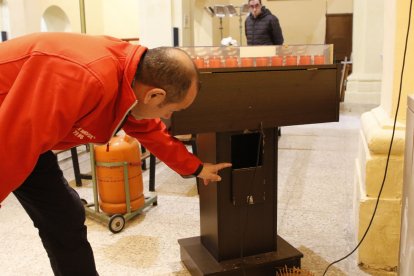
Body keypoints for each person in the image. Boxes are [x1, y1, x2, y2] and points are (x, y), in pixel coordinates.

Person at [0, 32, 232, 275]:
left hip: (25, 136)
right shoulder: (83, 77)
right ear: (155, 95)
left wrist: (196, 168)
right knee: (63, 216)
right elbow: (11, 144)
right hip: (10, 129)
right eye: (172, 110)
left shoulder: (128, 76)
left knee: (64, 216)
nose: (166, 117)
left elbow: (149, 131)